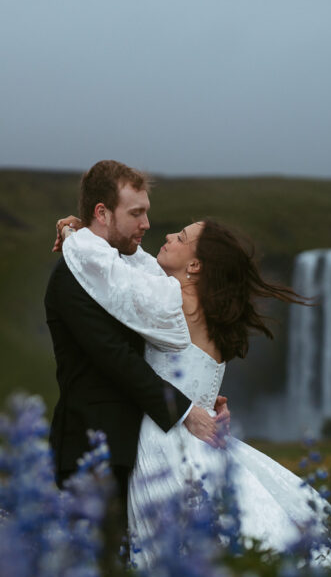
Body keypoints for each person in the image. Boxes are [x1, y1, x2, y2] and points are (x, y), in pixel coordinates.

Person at [56, 217, 331, 567]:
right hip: (202, 440)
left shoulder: (176, 302)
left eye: (182, 236)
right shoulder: (204, 308)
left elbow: (114, 278)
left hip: (165, 438)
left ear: (194, 265)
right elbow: (141, 271)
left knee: (172, 552)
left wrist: (77, 236)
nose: (170, 236)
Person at [44, 160, 227, 547]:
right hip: (94, 451)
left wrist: (205, 399)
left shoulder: (129, 274)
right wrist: (185, 411)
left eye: (147, 212)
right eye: (136, 213)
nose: (147, 224)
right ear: (102, 213)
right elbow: (114, 357)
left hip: (145, 451)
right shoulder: (72, 276)